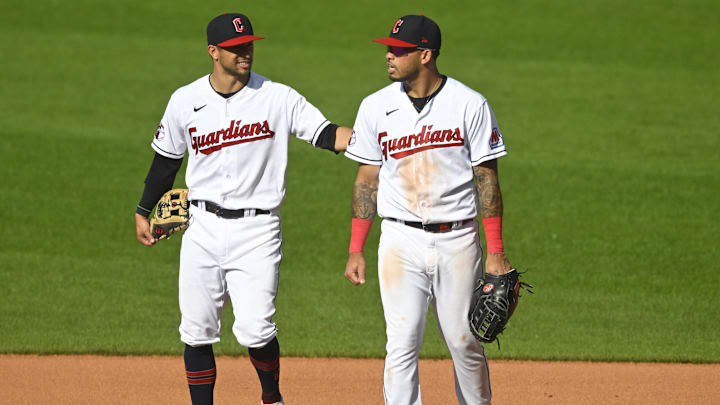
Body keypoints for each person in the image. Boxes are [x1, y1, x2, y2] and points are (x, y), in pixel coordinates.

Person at [134, 13, 351, 405]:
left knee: (256, 330)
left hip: (258, 230)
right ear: (213, 52)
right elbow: (166, 160)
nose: (245, 52)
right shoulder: (185, 100)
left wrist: (383, 144)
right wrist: (143, 209)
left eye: (248, 44)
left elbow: (328, 134)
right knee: (196, 330)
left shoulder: (278, 97)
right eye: (236, 48)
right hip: (200, 227)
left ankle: (271, 397)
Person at [343, 14, 513, 405]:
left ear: (425, 54)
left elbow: (487, 179)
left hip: (458, 240)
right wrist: (356, 248)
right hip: (400, 240)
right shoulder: (374, 107)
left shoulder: (469, 104)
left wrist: (497, 251)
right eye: (388, 48)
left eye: (398, 50)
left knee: (464, 341)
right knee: (401, 342)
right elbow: (366, 180)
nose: (388, 55)